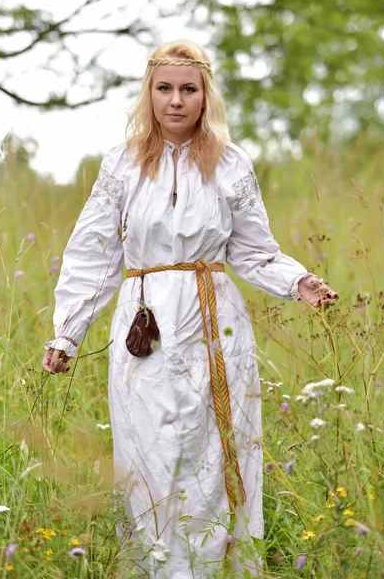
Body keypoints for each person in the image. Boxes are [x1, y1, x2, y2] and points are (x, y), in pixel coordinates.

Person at [42, 39, 338, 578]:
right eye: (165, 88)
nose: (175, 100)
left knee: (212, 449)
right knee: (149, 447)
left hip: (213, 319)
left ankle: (215, 569)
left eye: (188, 89)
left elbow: (253, 250)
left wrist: (298, 281)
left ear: (205, 96)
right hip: (144, 321)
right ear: (149, 92)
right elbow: (93, 253)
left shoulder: (229, 163)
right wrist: (66, 334)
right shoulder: (123, 163)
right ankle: (159, 569)